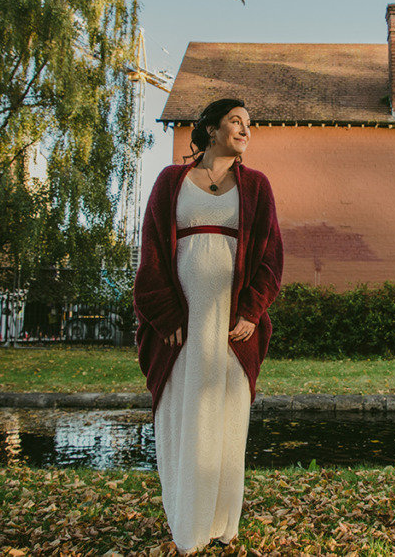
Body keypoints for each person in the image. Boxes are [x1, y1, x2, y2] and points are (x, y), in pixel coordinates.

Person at [133, 98, 283, 553]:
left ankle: (222, 525)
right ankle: (188, 526)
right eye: (236, 121)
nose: (245, 130)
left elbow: (271, 257)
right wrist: (165, 316)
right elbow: (153, 253)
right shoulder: (170, 182)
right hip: (183, 325)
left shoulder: (256, 185)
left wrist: (252, 311)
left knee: (227, 420)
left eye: (250, 125)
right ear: (211, 129)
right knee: (185, 418)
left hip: (232, 325)